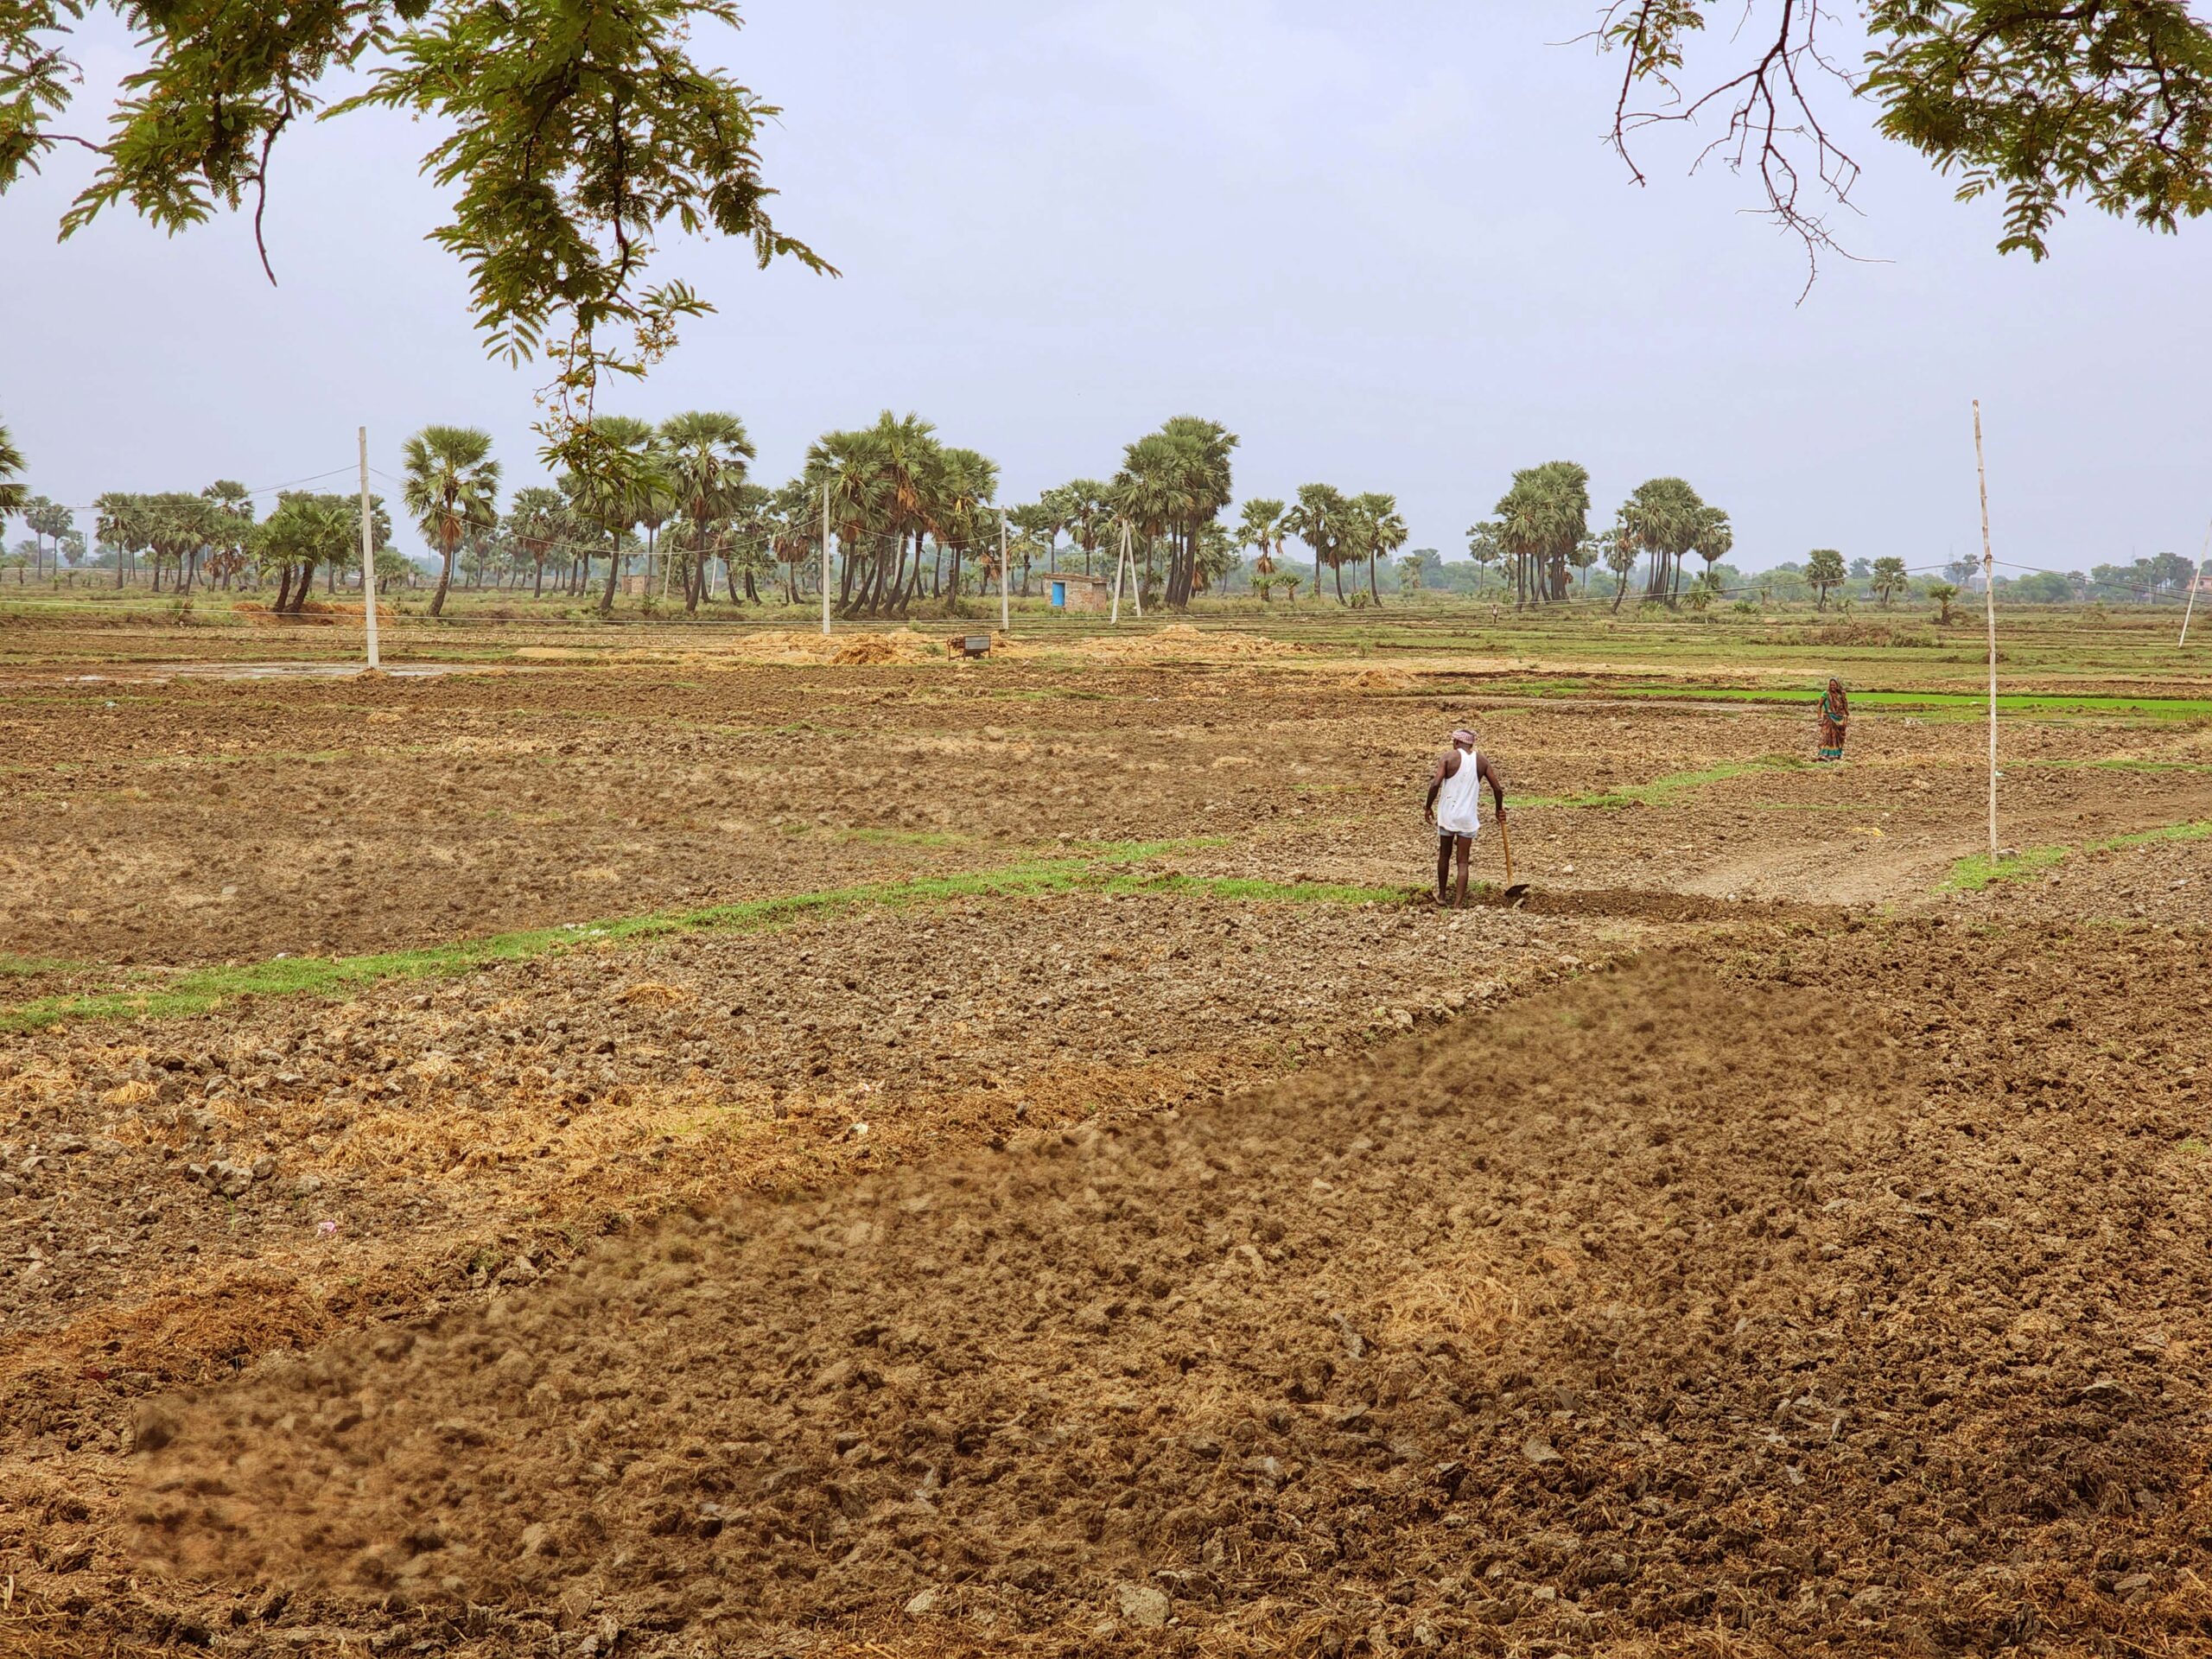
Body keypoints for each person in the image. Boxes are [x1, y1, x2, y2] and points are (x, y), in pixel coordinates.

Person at [1424, 727, 1507, 909]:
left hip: (1448, 814)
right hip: (1468, 818)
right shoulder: (1482, 761)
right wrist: (1498, 809)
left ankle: (1443, 895)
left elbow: (1436, 783)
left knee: (1444, 855)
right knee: (1463, 861)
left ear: (1456, 742)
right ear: (1471, 744)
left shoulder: (1448, 757)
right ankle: (1458, 904)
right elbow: (1498, 789)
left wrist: (1428, 806)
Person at [1817, 677, 1849, 762]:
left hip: (1839, 719)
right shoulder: (1825, 694)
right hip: (1829, 718)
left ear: (1837, 685)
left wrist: (1845, 717)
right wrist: (1819, 718)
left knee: (1838, 738)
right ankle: (1826, 754)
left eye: (1834, 685)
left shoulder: (1840, 695)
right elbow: (1819, 706)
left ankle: (1836, 755)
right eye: (1831, 685)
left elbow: (1844, 707)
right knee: (1828, 737)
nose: (1832, 687)